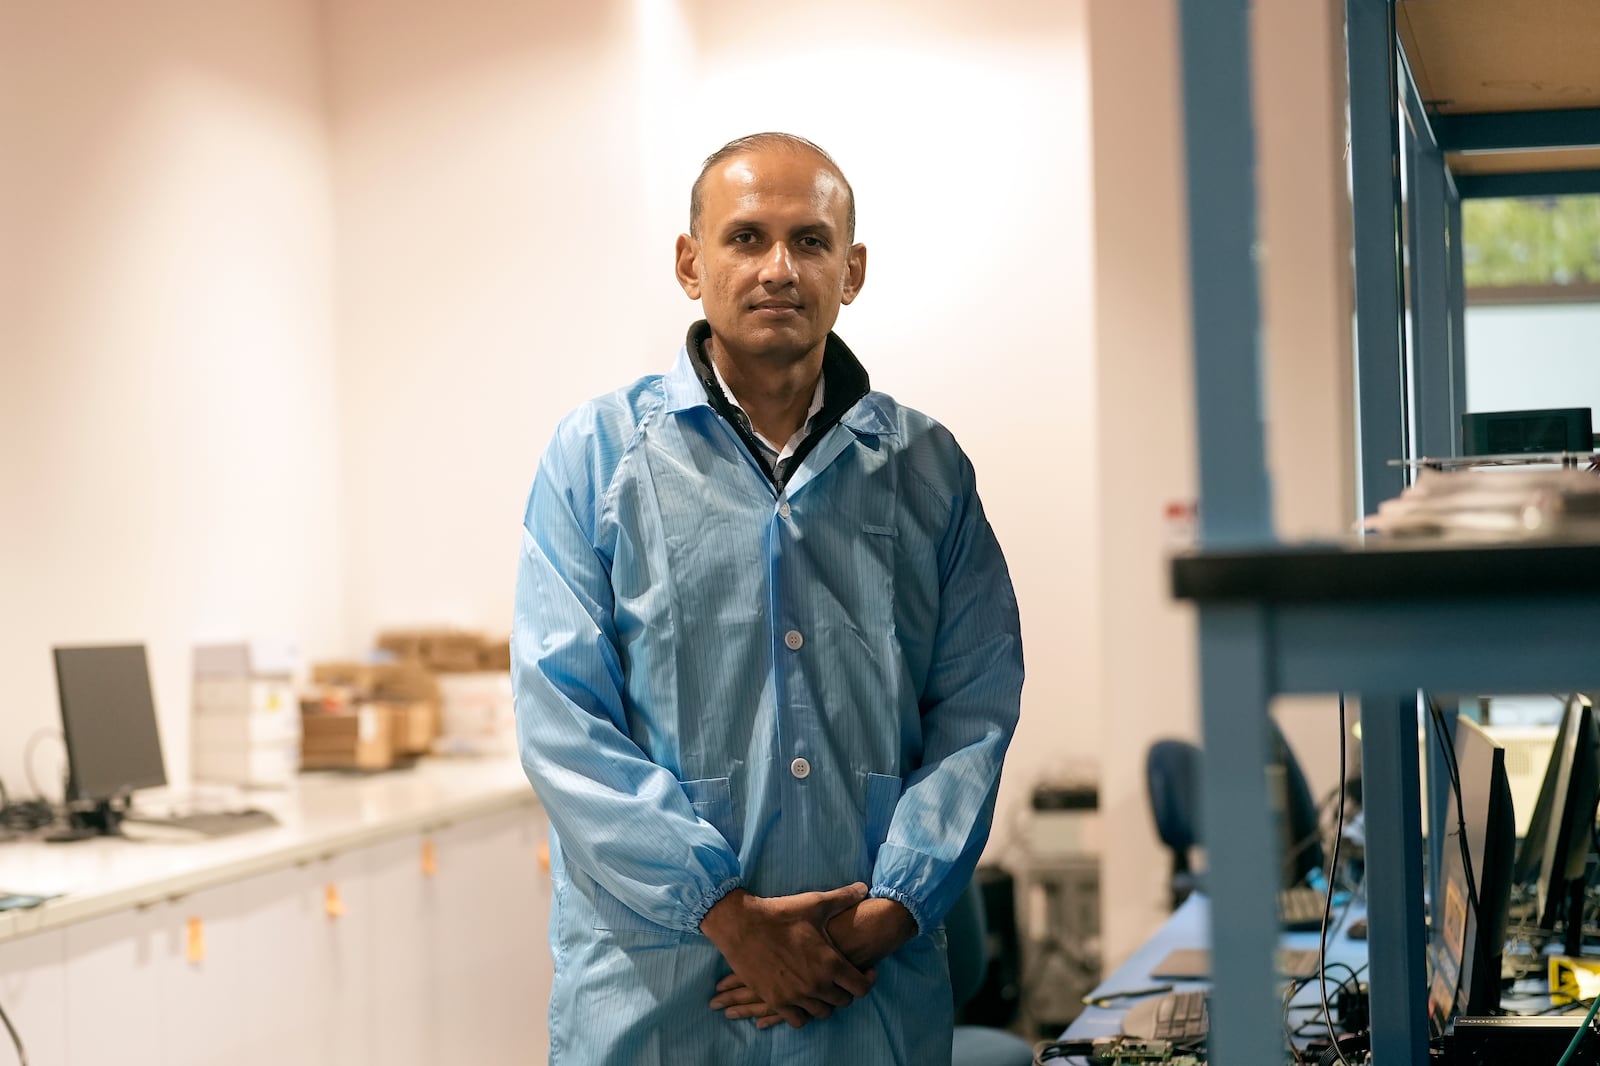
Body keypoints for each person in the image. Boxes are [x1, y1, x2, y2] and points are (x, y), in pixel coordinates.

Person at [511, 132, 1023, 1065]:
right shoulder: (596, 459)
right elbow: (562, 720)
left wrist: (889, 910)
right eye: (746, 238)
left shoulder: (928, 470)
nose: (778, 268)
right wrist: (725, 914)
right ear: (690, 261)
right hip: (662, 988)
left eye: (811, 241)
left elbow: (976, 713)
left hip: (864, 991)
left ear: (853, 269)